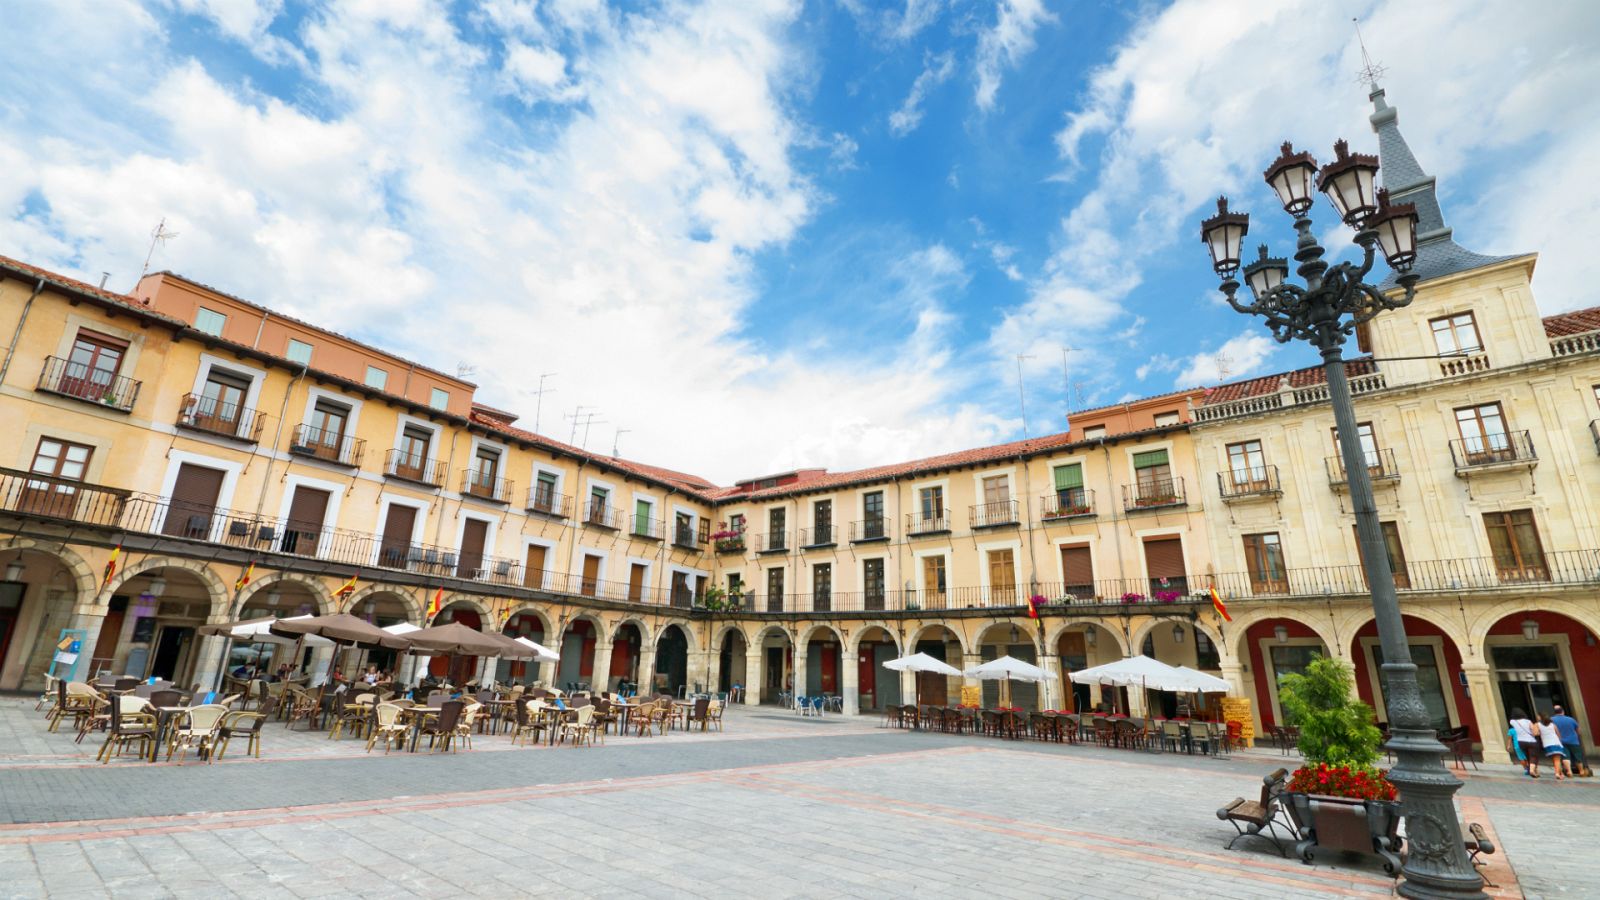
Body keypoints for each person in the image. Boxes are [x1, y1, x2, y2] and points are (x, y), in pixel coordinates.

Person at [1550, 705, 1585, 774]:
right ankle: (1581, 771)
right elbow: (1578, 731)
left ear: (1555, 712)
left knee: (1565, 757)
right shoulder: (1571, 719)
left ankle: (1569, 771)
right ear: (1563, 711)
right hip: (1574, 741)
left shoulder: (1551, 720)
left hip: (1560, 741)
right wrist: (1576, 736)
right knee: (1578, 757)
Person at [1508, 708, 1541, 777]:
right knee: (1533, 756)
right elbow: (1534, 731)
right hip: (1531, 740)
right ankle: (1532, 770)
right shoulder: (1528, 721)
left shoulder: (1513, 721)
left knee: (1527, 755)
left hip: (1521, 742)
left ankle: (1531, 769)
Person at [1539, 713, 1571, 780]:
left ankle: (1561, 773)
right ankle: (1557, 773)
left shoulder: (1539, 725)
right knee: (1557, 760)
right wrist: (1560, 741)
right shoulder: (1553, 725)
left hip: (1547, 744)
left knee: (1554, 760)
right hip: (1555, 743)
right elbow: (1558, 735)